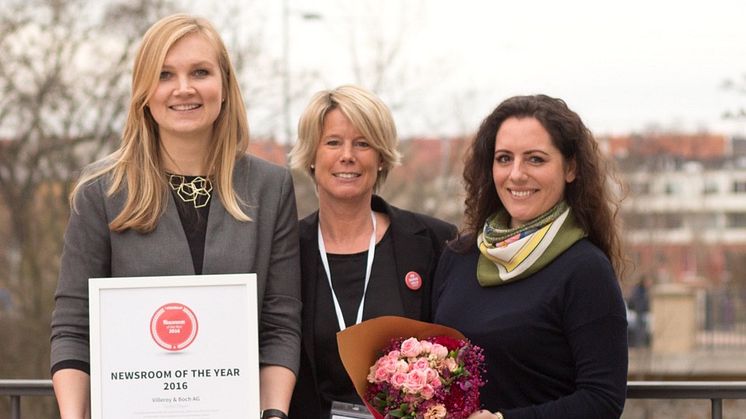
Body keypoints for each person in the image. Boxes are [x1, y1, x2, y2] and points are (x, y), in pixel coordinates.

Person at [50, 14, 301, 419]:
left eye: (200, 72)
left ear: (224, 87)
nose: (184, 89)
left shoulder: (271, 188)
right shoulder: (101, 193)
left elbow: (279, 324)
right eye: (165, 74)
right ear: (144, 92)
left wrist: (272, 414)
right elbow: (74, 329)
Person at [432, 94, 628, 419]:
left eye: (535, 159)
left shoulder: (585, 269)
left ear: (571, 168)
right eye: (504, 158)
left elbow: (602, 400)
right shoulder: (459, 257)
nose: (517, 174)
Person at [286, 85, 457, 418]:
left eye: (362, 143)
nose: (347, 155)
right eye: (333, 142)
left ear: (380, 158)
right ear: (311, 156)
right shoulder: (285, 249)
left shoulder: (434, 242)